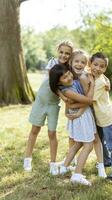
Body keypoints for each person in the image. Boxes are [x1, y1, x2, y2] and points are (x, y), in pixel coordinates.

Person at [49, 62, 106, 186]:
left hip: (82, 115)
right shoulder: (68, 91)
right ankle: (77, 174)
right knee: (88, 145)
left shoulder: (68, 85)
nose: (69, 77)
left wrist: (71, 105)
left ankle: (64, 166)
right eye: (64, 77)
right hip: (82, 118)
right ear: (59, 82)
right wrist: (92, 84)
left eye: (69, 74)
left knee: (79, 143)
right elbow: (89, 100)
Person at [23, 40, 73, 175]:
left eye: (67, 53)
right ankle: (27, 158)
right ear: (58, 52)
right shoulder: (52, 63)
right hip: (41, 101)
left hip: (52, 105)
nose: (64, 55)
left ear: (71, 55)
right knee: (35, 129)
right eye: (61, 52)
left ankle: (52, 163)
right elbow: (53, 83)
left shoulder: (69, 69)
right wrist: (62, 96)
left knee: (52, 133)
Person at [63, 50, 107, 178]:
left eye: (83, 62)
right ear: (71, 62)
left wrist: (106, 81)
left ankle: (100, 166)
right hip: (83, 112)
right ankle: (70, 166)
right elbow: (86, 99)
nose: (79, 64)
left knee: (95, 139)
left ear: (86, 64)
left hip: (87, 110)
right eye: (76, 61)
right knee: (84, 140)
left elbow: (89, 98)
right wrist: (69, 109)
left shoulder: (84, 75)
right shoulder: (71, 77)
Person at [89, 52, 112, 181]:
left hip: (107, 118)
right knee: (100, 142)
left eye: (101, 66)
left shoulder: (100, 82)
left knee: (111, 145)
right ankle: (106, 161)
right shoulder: (97, 77)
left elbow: (90, 99)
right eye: (95, 64)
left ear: (105, 69)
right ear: (90, 64)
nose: (97, 68)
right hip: (99, 118)